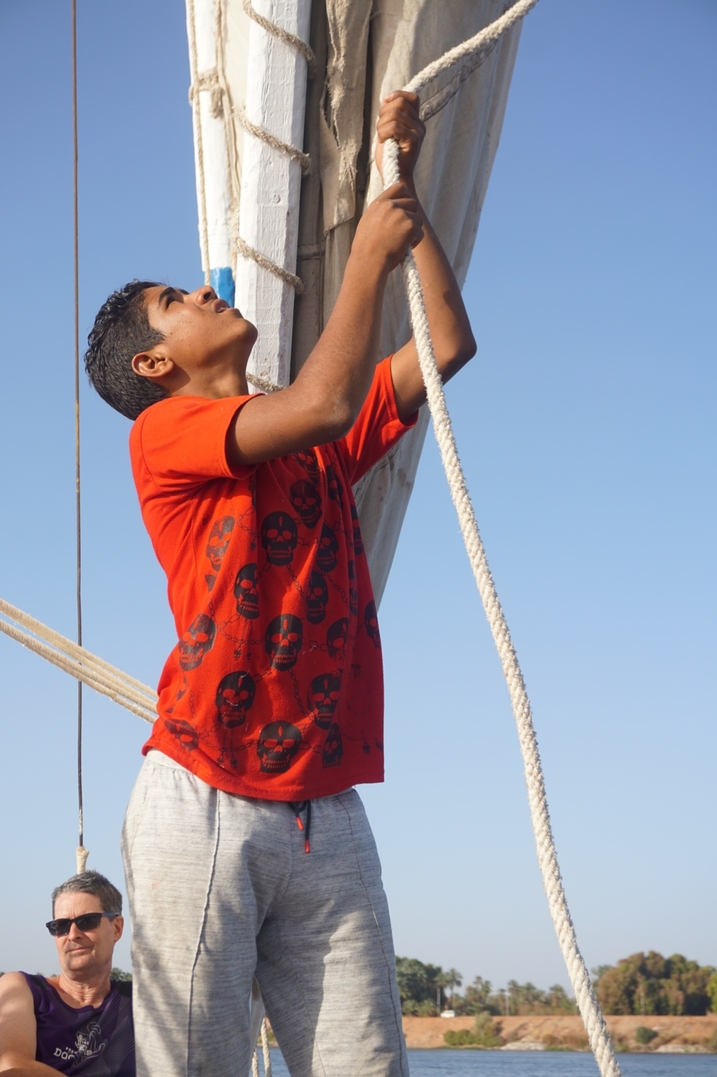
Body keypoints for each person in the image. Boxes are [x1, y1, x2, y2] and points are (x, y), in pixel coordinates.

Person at [84, 92, 476, 1077]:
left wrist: (406, 200)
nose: (206, 295)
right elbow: (324, 398)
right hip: (205, 789)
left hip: (327, 806)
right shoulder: (162, 436)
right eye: (179, 302)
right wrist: (362, 261)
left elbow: (448, 347)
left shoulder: (311, 442)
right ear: (154, 362)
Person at [0, 871, 134, 1077]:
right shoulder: (22, 989)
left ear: (117, 928)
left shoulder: (138, 1001)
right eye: (61, 926)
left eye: (87, 921)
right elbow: (12, 1068)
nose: (72, 934)